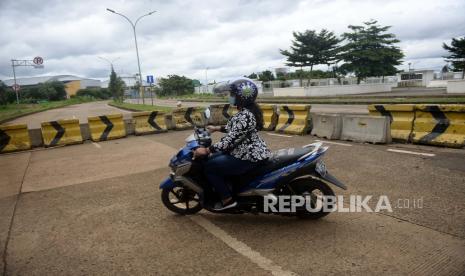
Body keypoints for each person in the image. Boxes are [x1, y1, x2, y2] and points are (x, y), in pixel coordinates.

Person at [193, 78, 271, 211]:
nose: (230, 97)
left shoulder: (245, 115)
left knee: (210, 167)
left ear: (242, 97)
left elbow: (230, 140)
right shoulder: (247, 111)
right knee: (215, 159)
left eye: (232, 94)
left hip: (247, 155)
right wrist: (217, 128)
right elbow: (236, 130)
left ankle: (227, 199)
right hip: (246, 150)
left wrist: (207, 150)